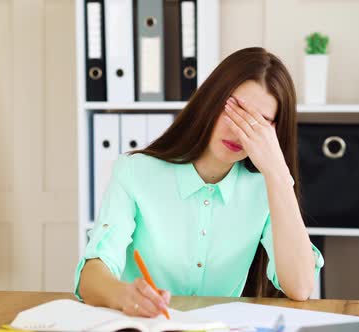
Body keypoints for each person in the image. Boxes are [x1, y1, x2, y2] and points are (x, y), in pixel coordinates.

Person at [74, 47, 324, 317]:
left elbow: (300, 287)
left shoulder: (265, 188)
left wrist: (278, 173)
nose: (238, 131)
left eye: (257, 123)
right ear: (210, 101)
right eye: (234, 110)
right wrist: (124, 295)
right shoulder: (135, 172)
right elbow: (91, 279)